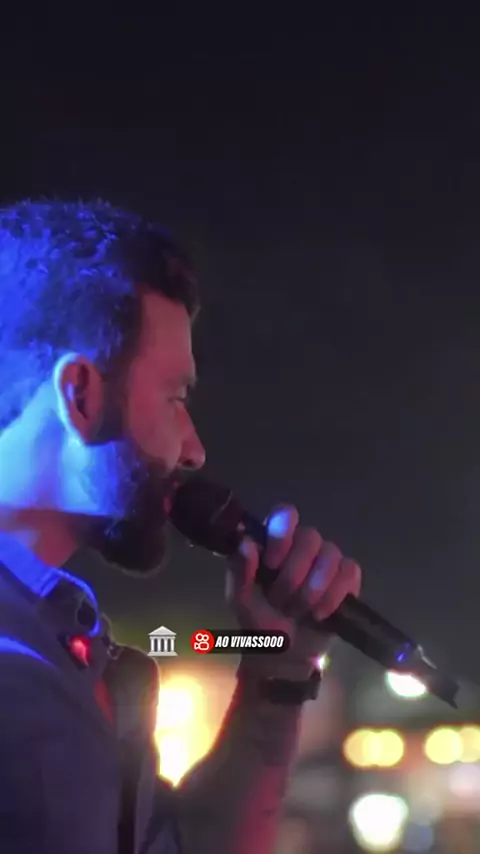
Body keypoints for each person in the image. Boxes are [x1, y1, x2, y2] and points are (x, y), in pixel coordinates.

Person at [0, 199, 362, 854]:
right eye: (175, 398)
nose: (194, 450)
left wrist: (278, 670)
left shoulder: (71, 650)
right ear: (81, 394)